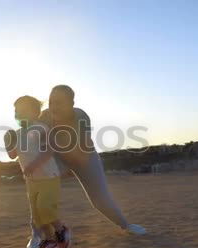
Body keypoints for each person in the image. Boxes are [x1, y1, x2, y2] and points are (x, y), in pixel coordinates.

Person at [24, 85, 146, 235]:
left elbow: (81, 157)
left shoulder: (80, 116)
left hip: (85, 158)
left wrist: (62, 165)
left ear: (71, 104)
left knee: (100, 200)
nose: (53, 107)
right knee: (38, 191)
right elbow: (32, 139)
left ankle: (126, 225)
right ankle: (38, 235)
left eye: (59, 102)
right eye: (51, 102)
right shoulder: (45, 117)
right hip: (57, 156)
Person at [4, 95, 71, 248]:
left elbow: (48, 151)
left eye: (21, 110)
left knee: (45, 208)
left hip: (48, 176)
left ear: (34, 112)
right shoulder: (18, 133)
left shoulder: (40, 128)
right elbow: (12, 155)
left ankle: (62, 231)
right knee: (37, 216)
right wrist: (8, 141)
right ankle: (50, 240)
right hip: (31, 180)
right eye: (16, 110)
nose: (17, 113)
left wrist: (34, 165)